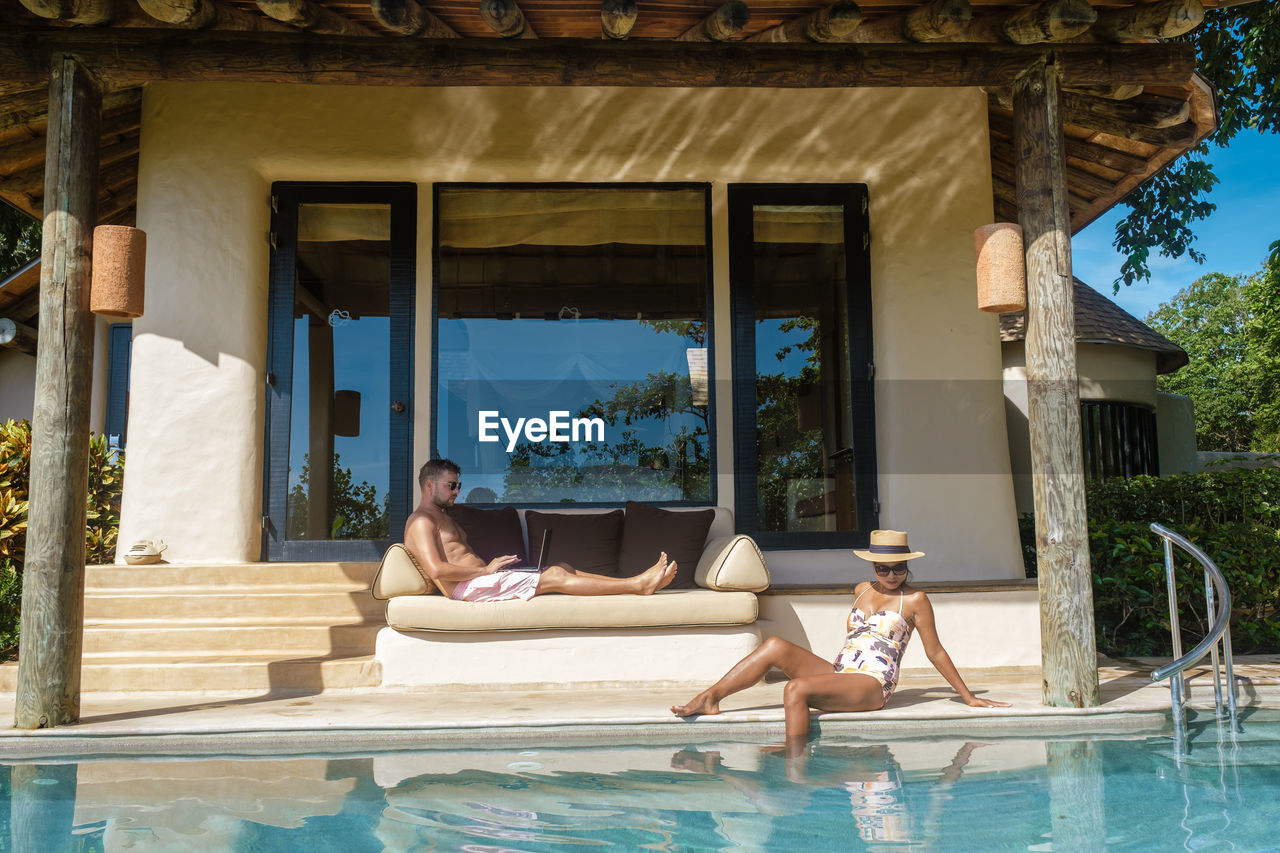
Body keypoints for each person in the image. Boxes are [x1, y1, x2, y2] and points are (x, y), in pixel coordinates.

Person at [671, 529, 1009, 754]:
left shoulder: (916, 600)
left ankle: (797, 759)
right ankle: (709, 698)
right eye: (883, 569)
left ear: (907, 567)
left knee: (795, 689)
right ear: (873, 567)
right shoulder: (862, 589)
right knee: (774, 646)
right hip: (840, 671)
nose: (891, 576)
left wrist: (968, 697)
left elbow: (935, 651)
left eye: (898, 569)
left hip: (872, 684)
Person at [405, 458, 676, 602]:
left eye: (458, 485)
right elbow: (437, 569)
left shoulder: (440, 517)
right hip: (468, 588)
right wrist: (485, 570)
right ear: (430, 486)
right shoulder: (422, 521)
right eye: (451, 486)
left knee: (562, 566)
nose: (457, 491)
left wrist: (487, 572)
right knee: (557, 575)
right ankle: (638, 585)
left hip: (478, 582)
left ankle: (638, 582)